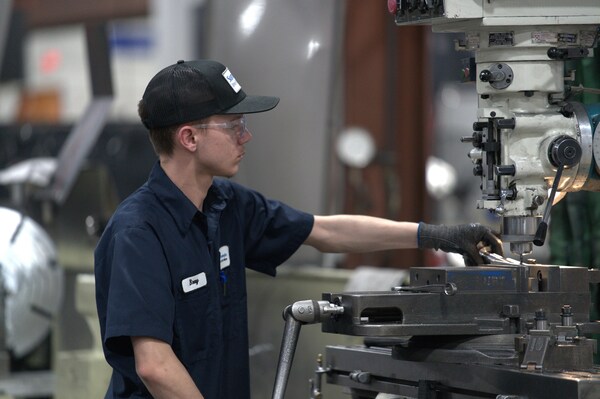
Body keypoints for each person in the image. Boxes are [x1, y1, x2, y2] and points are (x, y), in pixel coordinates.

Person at [94, 59, 503, 399]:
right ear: (188, 138)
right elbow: (154, 364)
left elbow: (324, 232)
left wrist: (430, 235)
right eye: (233, 125)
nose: (246, 136)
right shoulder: (138, 232)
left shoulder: (227, 206)